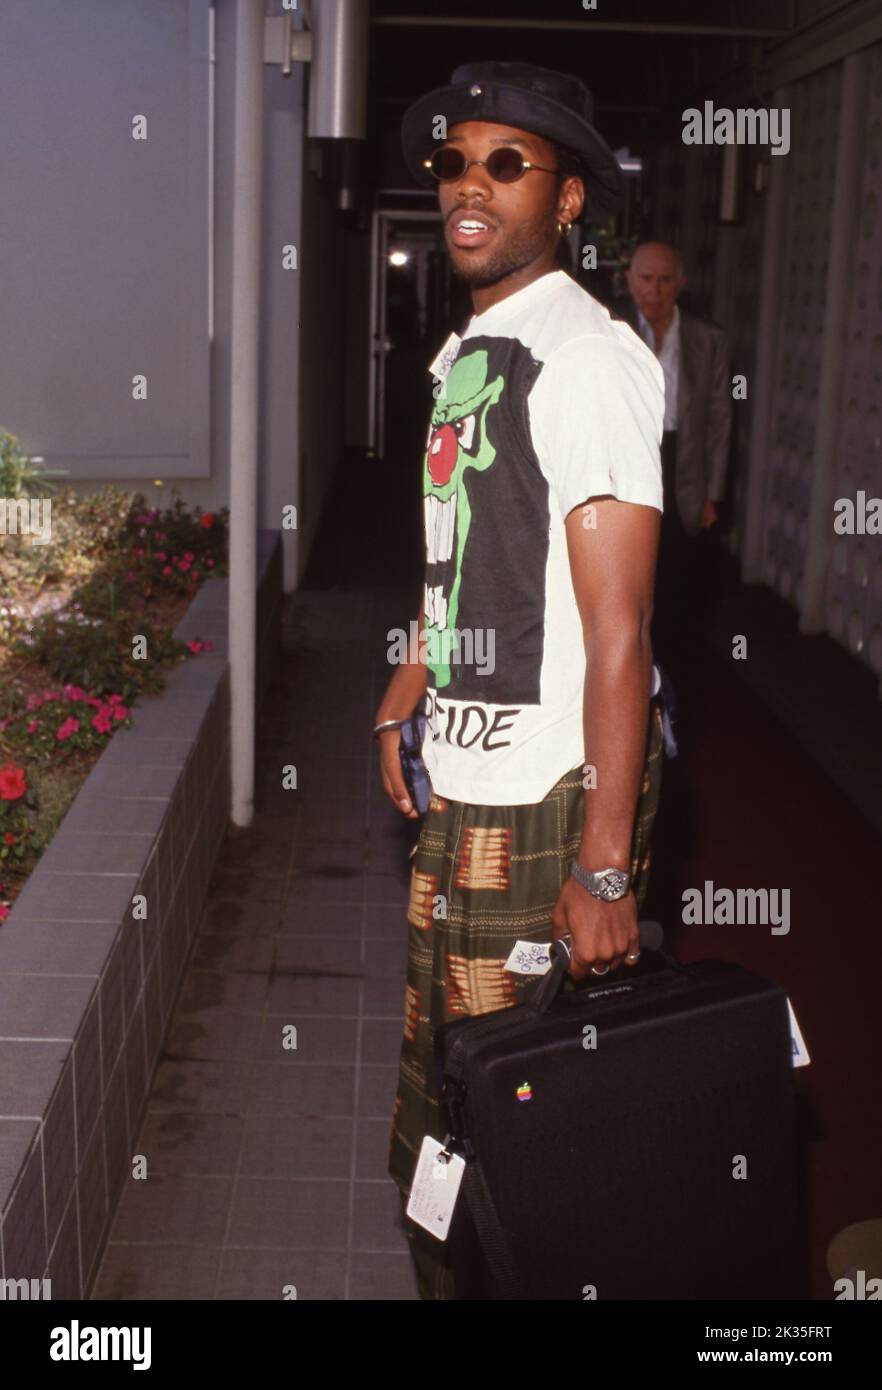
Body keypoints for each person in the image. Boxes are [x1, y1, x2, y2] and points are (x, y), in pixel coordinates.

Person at [372, 61, 667, 1300]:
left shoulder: (587, 358)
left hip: (545, 801)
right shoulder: (471, 347)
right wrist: (408, 680)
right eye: (452, 161)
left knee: (524, 1135)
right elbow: (464, 559)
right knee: (443, 1108)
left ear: (569, 202)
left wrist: (605, 866)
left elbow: (620, 629)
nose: (468, 185)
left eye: (507, 163)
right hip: (464, 779)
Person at [618, 242, 733, 667]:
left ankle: (669, 671)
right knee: (631, 572)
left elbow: (721, 421)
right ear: (629, 283)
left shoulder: (708, 340)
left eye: (665, 280)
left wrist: (712, 495)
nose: (655, 289)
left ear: (681, 284)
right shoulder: (613, 334)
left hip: (682, 465)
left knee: (678, 578)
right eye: (646, 279)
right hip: (630, 461)